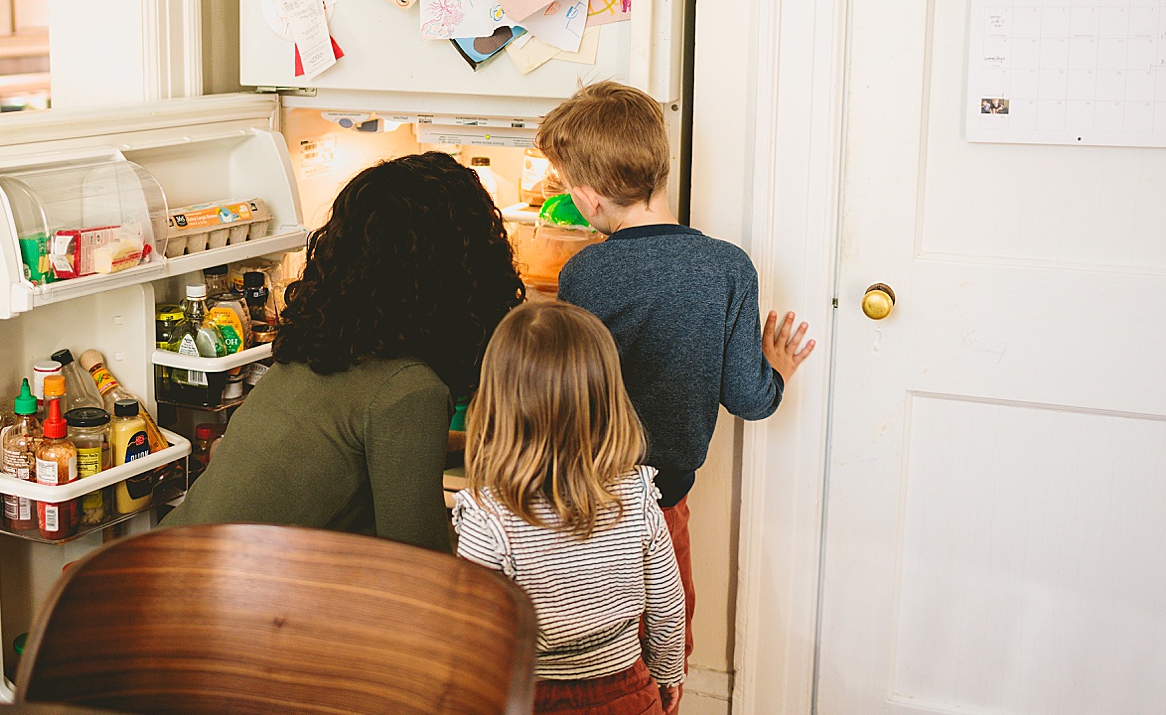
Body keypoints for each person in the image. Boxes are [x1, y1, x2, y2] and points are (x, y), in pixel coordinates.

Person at [535, 81, 815, 673]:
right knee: (665, 635)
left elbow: (571, 389)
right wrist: (778, 370)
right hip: (665, 501)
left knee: (595, 639)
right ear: (660, 169)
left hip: (588, 498)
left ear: (585, 199)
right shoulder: (728, 266)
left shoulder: (585, 273)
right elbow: (750, 399)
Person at [162, 151, 524, 551]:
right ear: (464, 270)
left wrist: (476, 446)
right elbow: (418, 562)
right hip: (224, 599)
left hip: (166, 563)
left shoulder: (313, 352)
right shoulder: (410, 390)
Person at [455, 301, 687, 715]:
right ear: (608, 399)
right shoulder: (636, 493)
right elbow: (667, 605)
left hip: (530, 695)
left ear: (498, 403)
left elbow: (476, 637)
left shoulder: (487, 517)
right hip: (627, 691)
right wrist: (667, 675)